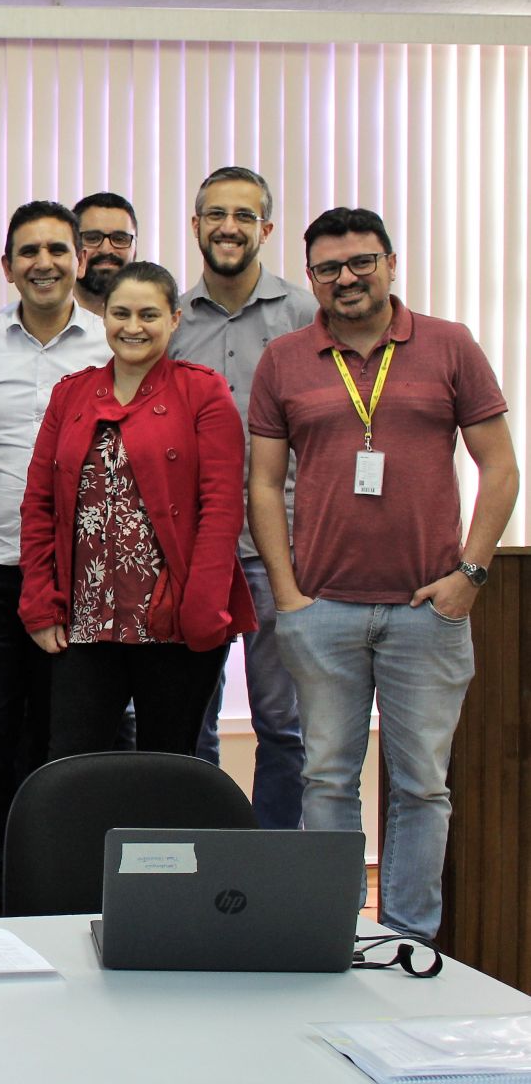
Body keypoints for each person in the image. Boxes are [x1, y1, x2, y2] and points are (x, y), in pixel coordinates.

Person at [250, 206, 518, 940]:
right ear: (311, 279)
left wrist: (470, 574)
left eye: (360, 262)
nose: (346, 278)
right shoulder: (283, 359)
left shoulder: (447, 345)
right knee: (325, 780)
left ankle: (407, 940)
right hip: (322, 610)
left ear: (390, 263)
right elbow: (263, 484)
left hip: (425, 609)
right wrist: (287, 596)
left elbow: (499, 467)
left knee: (421, 788)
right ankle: (334, 931)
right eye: (328, 268)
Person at [0, 200, 105, 919]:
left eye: (56, 249)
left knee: (63, 738)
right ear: (6, 266)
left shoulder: (110, 344)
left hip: (77, 576)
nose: (43, 262)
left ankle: (50, 886)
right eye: (27, 252)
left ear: (77, 260)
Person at [19, 261, 255, 758]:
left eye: (149, 314)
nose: (133, 327)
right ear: (103, 317)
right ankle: (84, 843)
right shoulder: (71, 393)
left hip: (174, 620)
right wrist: (40, 602)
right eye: (120, 313)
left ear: (174, 319)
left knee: (167, 766)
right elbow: (39, 505)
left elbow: (222, 507)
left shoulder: (202, 390)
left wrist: (203, 610)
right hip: (84, 619)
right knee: (73, 763)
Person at [169, 166, 316, 828]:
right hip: (193, 552)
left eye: (242, 215)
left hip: (278, 549)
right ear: (195, 225)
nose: (228, 227)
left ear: (265, 228)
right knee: (188, 729)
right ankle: (200, 870)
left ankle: (272, 871)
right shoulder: (168, 318)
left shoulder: (305, 317)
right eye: (214, 214)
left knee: (283, 725)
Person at [72, 192, 139, 316]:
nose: (106, 250)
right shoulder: (43, 317)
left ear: (135, 250)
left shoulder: (161, 319)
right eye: (92, 238)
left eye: (119, 239)